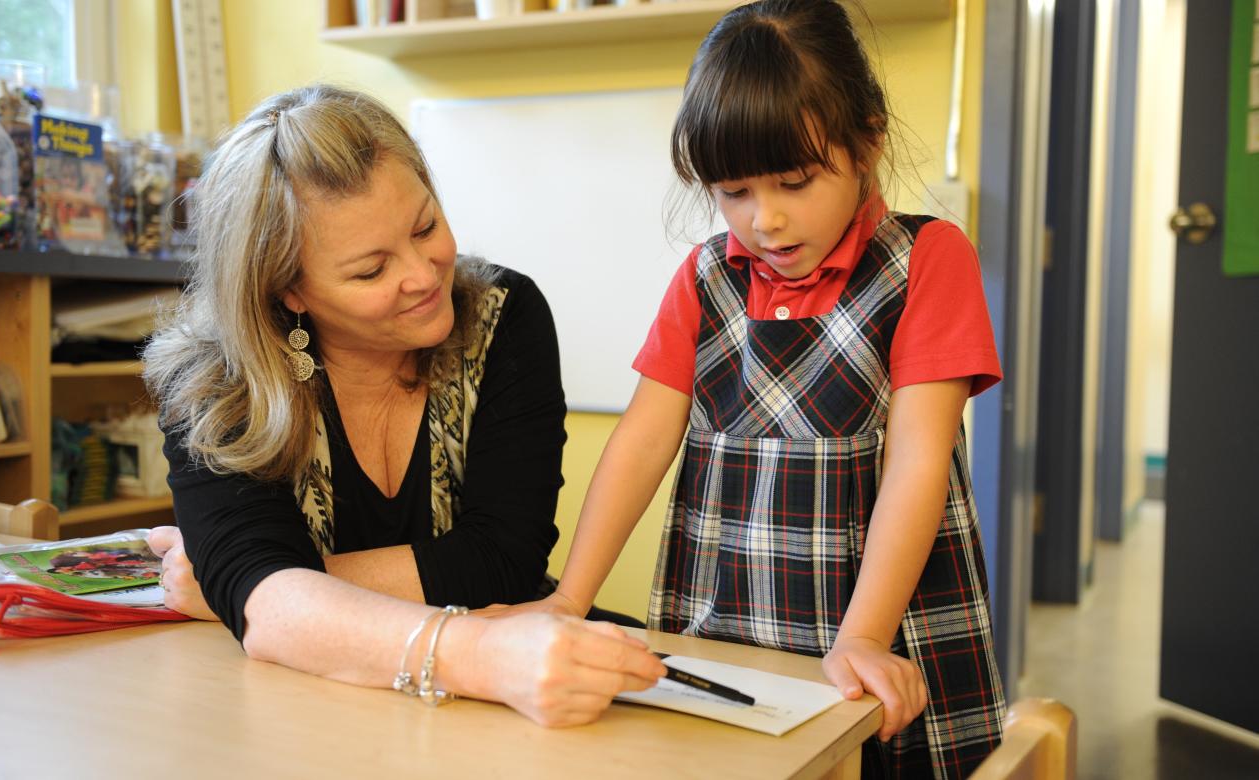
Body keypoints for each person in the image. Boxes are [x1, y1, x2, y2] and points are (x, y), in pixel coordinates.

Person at [502, 0, 1006, 774]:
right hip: (723, 628)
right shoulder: (704, 278)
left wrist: (864, 636)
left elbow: (919, 462)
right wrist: (569, 598)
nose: (764, 219)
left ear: (867, 140)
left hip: (875, 633)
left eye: (795, 181)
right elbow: (642, 441)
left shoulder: (928, 262)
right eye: (733, 191)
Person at [141, 84, 665, 728]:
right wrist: (260, 591)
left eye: (426, 226)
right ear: (290, 292)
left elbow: (501, 560)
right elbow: (264, 606)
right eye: (370, 270)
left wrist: (274, 589)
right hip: (307, 718)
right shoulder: (212, 378)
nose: (424, 275)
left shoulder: (505, 315)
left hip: (502, 689)